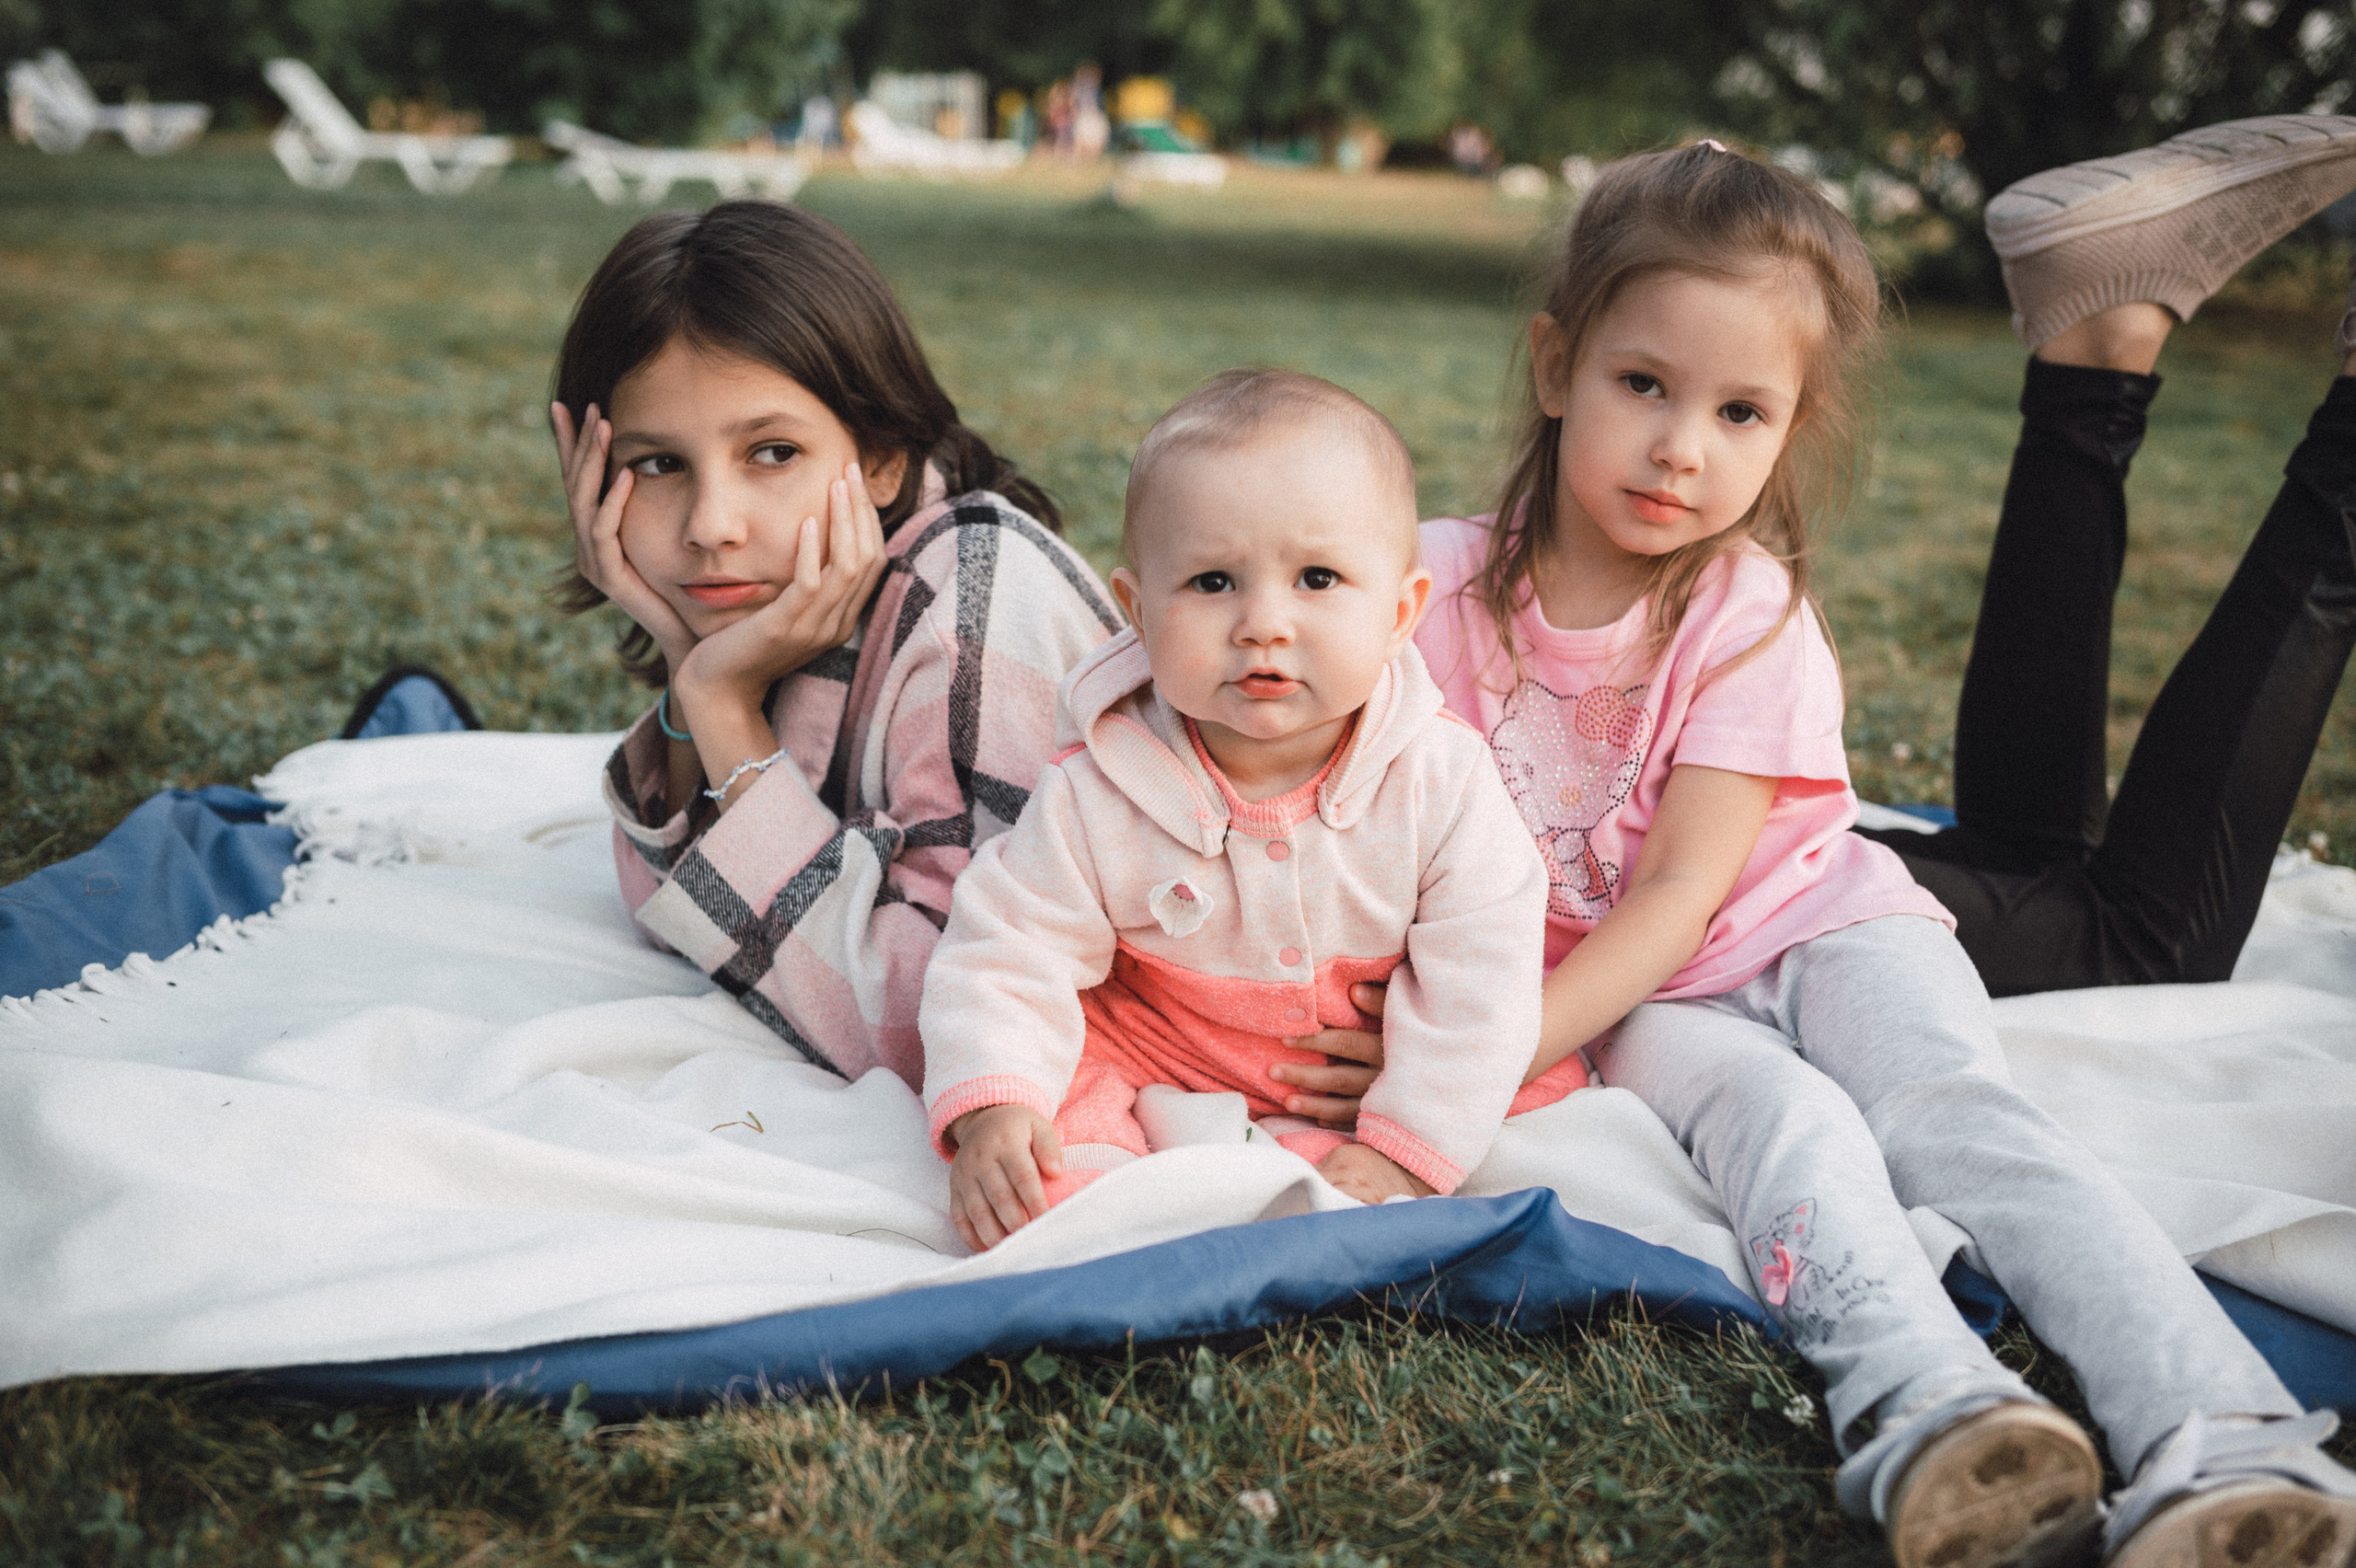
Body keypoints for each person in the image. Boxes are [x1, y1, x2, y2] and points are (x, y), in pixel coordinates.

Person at [1307, 141, 2353, 1568]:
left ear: (1788, 430)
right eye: (1644, 386)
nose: (1685, 446)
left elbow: (1682, 890)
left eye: (1743, 412)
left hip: (1818, 930)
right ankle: (1929, 1406)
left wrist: (1477, 1054)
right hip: (1650, 1012)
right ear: (1557, 366)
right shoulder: (1429, 588)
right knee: (1785, 1144)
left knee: (1958, 1124)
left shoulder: (1746, 614)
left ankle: (2217, 1435)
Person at [918, 370, 1580, 1252]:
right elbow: (1009, 947)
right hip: (1164, 1050)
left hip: (1359, 1065)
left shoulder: (1441, 781)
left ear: (1399, 613)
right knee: (1049, 1132)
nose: (1263, 623)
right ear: (1138, 612)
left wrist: (1408, 1152)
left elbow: (1481, 983)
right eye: (1213, 582)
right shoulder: (1102, 785)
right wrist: (999, 1098)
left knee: (1513, 1095)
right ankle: (1105, 1199)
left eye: (1317, 577)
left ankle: (1371, 1164)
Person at [552, 201, 1122, 1090]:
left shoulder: (970, 604)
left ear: (883, 459)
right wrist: (688, 667)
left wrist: (723, 711)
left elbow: (942, 1027)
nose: (712, 526)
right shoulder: (775, 612)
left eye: (772, 453)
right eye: (659, 465)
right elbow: (667, 907)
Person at [1846, 117, 2356, 997]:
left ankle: (2103, 349)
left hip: (1632, 883)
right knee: (2046, 878)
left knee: (2117, 929)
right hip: (1627, 865)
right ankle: (2094, 350)